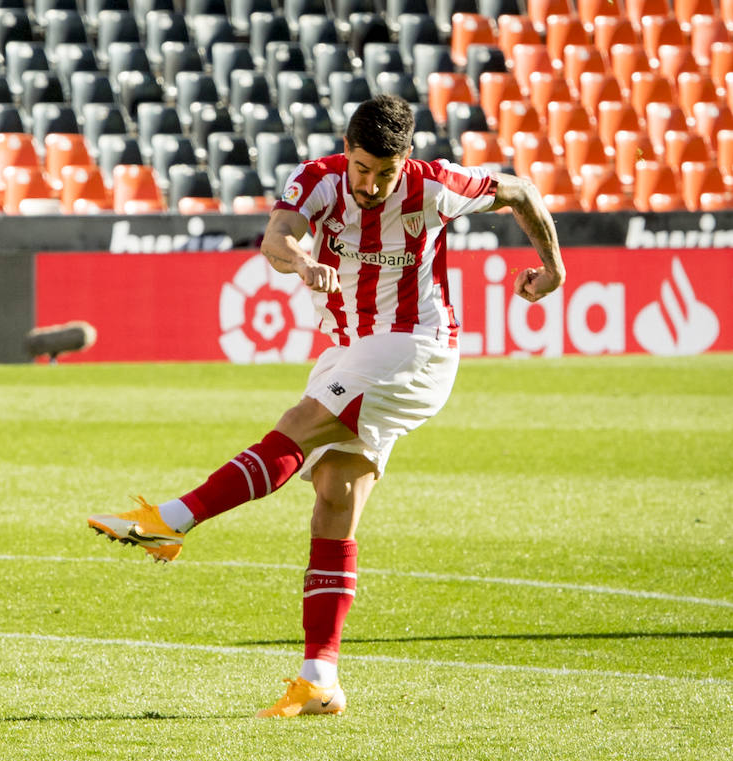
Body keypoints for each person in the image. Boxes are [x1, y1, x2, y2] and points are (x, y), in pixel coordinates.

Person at [88, 95, 565, 718]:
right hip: (352, 349)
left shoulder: (438, 185)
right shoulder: (318, 180)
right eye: (362, 167)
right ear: (348, 151)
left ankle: (173, 519)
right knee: (335, 499)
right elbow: (277, 238)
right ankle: (320, 680)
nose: (370, 184)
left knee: (299, 425)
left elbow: (523, 190)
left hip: (416, 344)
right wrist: (303, 261)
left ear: (407, 159)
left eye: (384, 172)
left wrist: (552, 269)